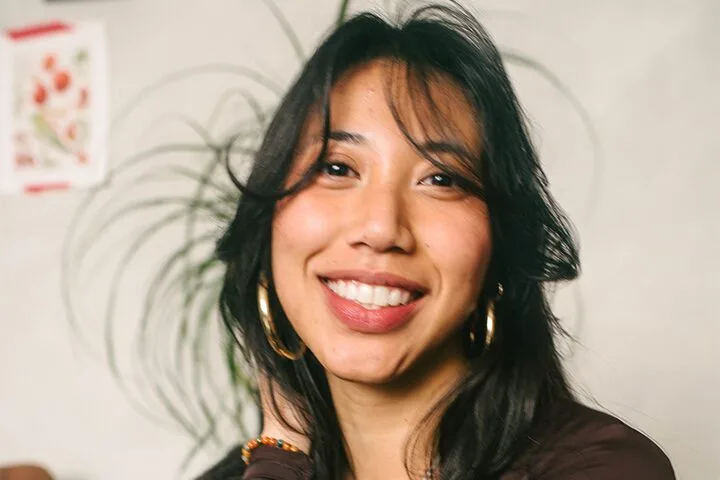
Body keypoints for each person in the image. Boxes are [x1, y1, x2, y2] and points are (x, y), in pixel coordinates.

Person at [199, 3, 675, 479]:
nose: (381, 229)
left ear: (498, 247)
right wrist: (281, 452)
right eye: (337, 168)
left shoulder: (604, 467)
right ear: (266, 225)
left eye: (441, 179)